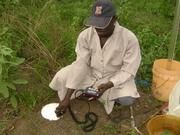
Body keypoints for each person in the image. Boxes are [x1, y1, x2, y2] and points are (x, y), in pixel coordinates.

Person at [49, 0, 141, 116]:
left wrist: (109, 84)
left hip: (113, 76)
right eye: (96, 23)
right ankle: (92, 91)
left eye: (103, 24)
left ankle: (96, 92)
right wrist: (67, 98)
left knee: (127, 99)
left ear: (114, 19)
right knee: (62, 77)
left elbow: (129, 69)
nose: (98, 29)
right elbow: (81, 64)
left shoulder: (129, 38)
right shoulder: (85, 35)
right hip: (90, 72)